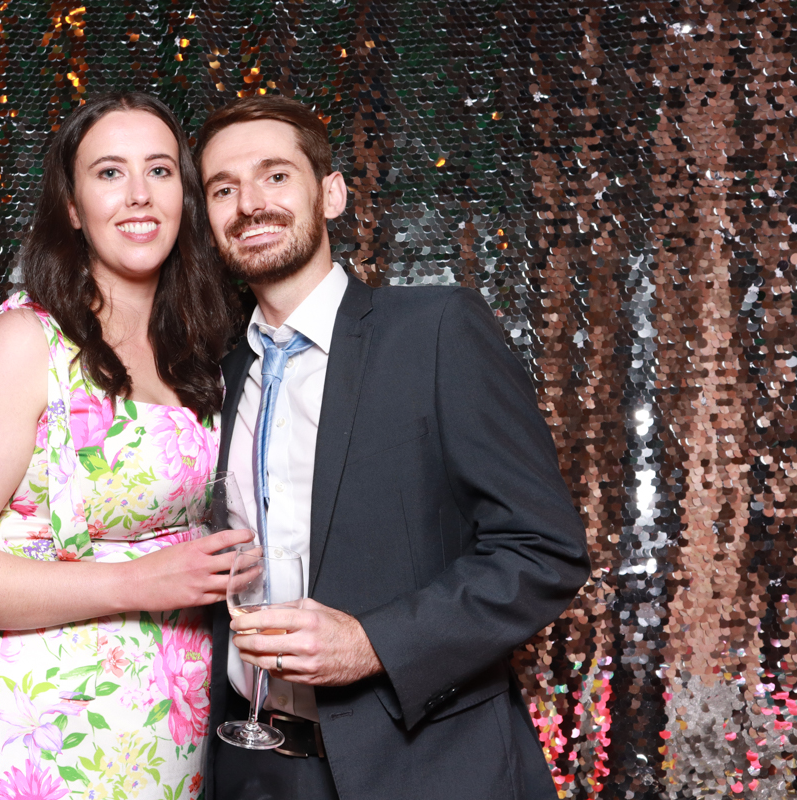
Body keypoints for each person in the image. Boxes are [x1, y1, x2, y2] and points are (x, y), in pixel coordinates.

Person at [195, 95, 591, 800]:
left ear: (333, 194)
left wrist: (373, 644)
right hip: (256, 767)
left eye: (276, 177)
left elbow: (544, 551)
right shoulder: (215, 376)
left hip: (425, 764)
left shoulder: (436, 331)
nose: (249, 204)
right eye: (224, 189)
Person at [0, 93, 252, 800]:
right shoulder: (25, 343)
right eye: (109, 173)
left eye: (159, 170)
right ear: (72, 206)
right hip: (48, 729)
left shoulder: (196, 346)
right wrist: (136, 584)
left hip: (172, 720)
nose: (139, 195)